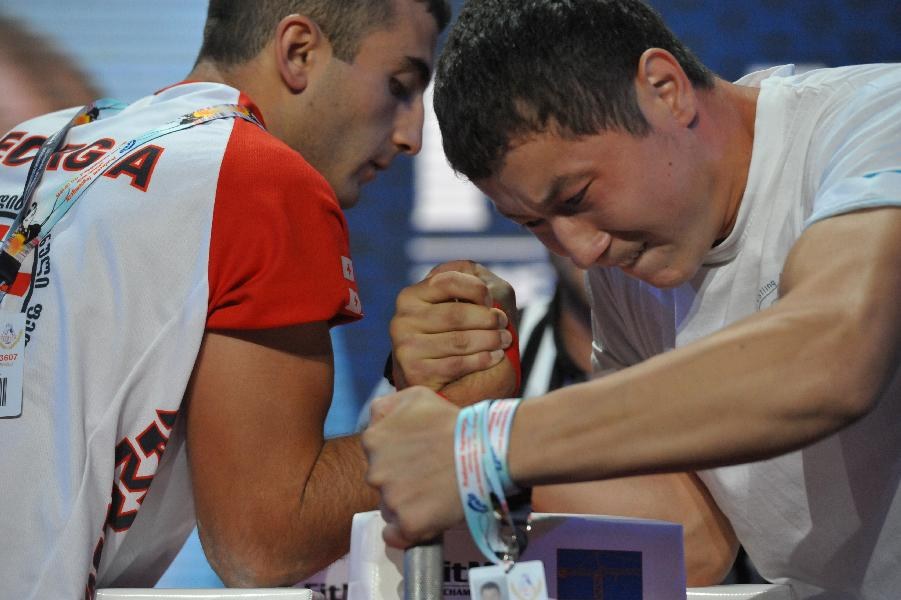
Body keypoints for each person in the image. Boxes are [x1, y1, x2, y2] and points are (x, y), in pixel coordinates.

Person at [362, 1, 901, 598]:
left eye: (574, 196)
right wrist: (446, 451)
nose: (579, 251)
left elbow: (831, 355)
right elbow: (691, 536)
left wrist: (484, 445)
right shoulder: (629, 266)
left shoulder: (877, 121)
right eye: (533, 223)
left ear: (665, 89)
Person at [0, 0, 461, 597]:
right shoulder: (263, 179)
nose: (411, 136)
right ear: (299, 51)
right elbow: (264, 544)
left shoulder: (28, 143)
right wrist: (460, 420)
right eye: (399, 86)